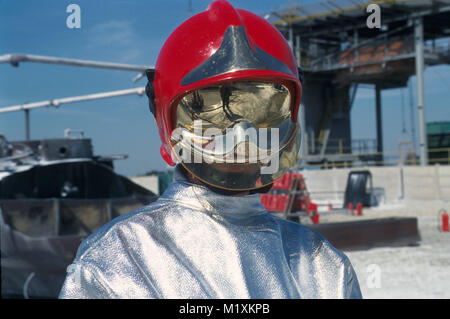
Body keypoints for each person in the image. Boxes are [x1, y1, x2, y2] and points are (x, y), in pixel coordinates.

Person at [59, 0, 362, 299]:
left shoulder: (325, 265)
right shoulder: (113, 266)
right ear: (168, 118)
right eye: (211, 113)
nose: (241, 136)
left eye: (262, 110)